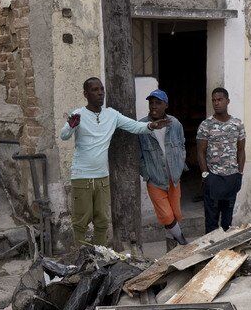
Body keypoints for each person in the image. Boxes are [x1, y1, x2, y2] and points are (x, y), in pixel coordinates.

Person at [60, 77, 169, 246]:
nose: (100, 92)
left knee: (102, 222)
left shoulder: (111, 115)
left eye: (101, 89)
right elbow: (64, 135)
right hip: (81, 177)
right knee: (80, 223)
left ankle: (99, 258)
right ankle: (81, 259)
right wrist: (71, 126)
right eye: (95, 90)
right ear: (85, 94)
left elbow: (134, 126)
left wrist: (151, 126)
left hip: (102, 177)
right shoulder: (78, 114)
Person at [136, 89, 188, 250]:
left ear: (166, 105)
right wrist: (147, 174)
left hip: (174, 177)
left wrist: (179, 166)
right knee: (166, 215)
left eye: (158, 103)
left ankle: (171, 251)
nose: (153, 106)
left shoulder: (175, 124)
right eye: (151, 103)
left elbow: (182, 146)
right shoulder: (142, 126)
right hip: (155, 179)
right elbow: (138, 155)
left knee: (176, 215)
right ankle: (183, 243)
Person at [196, 87, 246, 232]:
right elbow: (200, 152)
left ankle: (225, 253)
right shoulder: (206, 125)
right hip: (213, 178)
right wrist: (206, 175)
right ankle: (212, 253)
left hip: (232, 177)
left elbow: (241, 150)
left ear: (227, 101)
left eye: (220, 100)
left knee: (227, 222)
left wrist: (240, 173)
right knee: (211, 222)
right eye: (214, 100)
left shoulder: (237, 124)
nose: (216, 103)